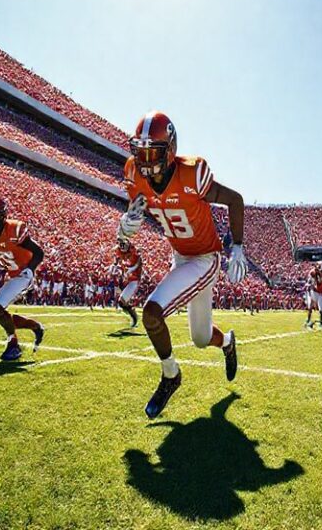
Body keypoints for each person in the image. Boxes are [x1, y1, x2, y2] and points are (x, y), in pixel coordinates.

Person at [118, 111, 247, 419]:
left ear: (170, 150)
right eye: (141, 152)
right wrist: (125, 225)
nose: (146, 161)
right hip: (180, 257)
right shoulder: (134, 174)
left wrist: (238, 246)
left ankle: (170, 374)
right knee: (201, 338)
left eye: (153, 152)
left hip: (204, 258)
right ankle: (227, 342)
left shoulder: (192, 173)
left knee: (152, 313)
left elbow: (236, 199)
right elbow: (136, 209)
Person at [0, 193, 45, 361]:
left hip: (23, 274)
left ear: (2, 216)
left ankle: (13, 345)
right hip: (10, 274)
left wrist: (30, 270)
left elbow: (39, 252)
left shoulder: (14, 229)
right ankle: (36, 327)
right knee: (2, 314)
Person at [113, 237, 142, 327]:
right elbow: (117, 258)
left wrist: (132, 269)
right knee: (122, 303)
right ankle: (132, 313)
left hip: (134, 279)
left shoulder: (134, 252)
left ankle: (134, 317)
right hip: (127, 279)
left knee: (122, 301)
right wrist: (116, 265)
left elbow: (139, 261)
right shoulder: (119, 250)